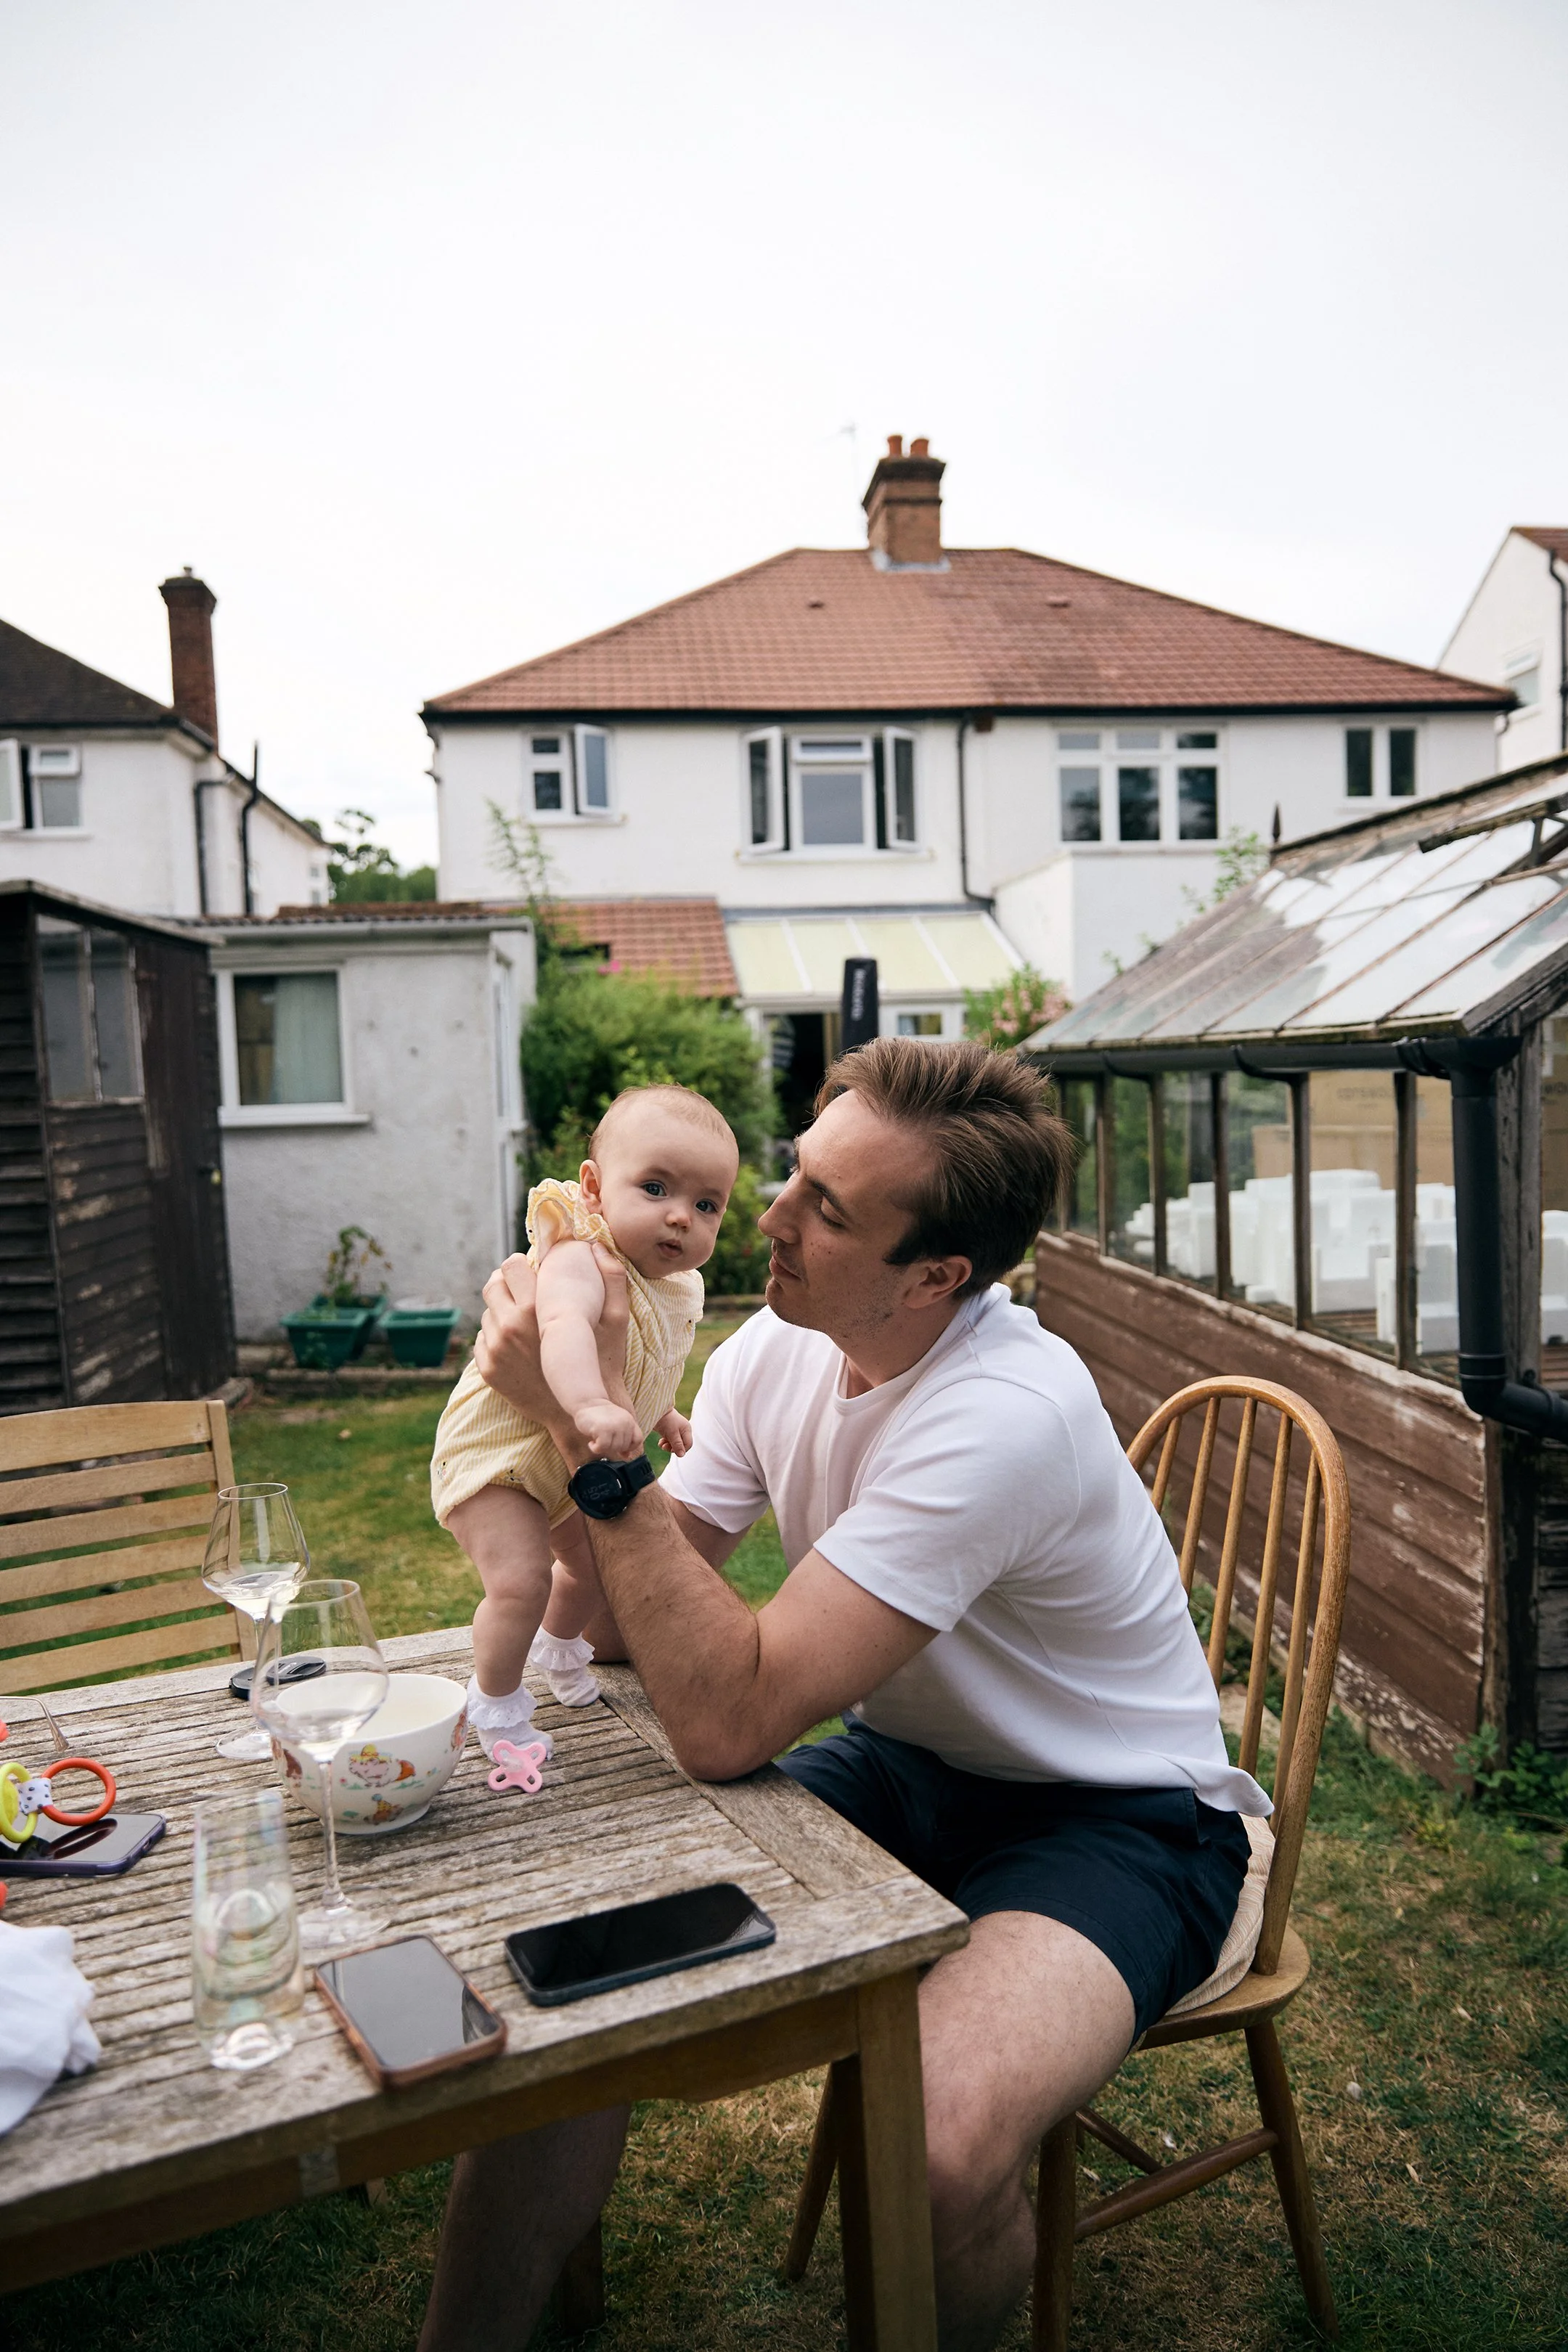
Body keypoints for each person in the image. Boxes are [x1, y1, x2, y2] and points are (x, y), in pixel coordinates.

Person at [417, 1040, 1266, 2352]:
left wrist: (607, 1466)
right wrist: (549, 1406)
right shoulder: (778, 1349)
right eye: (794, 1175)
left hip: (1121, 1819)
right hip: (905, 1767)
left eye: (827, 1208)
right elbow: (612, 1621)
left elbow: (729, 1720)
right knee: (564, 1974)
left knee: (927, 2140)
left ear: (939, 1276)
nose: (765, 1218)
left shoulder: (1004, 1414)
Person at [429, 1084, 738, 1755]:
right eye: (656, 1188)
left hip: (560, 1455)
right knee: (521, 1582)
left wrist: (661, 1409)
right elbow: (565, 1331)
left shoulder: (672, 1284)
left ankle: (560, 1649)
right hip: (498, 1459)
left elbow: (642, 1353)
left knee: (593, 1575)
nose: (682, 1217)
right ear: (594, 1189)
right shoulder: (582, 1254)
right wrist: (590, 1405)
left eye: (706, 1204)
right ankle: (496, 1704)